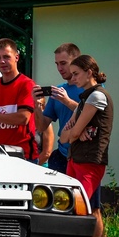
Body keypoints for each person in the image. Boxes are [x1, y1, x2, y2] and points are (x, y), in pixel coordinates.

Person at [59, 54, 113, 237]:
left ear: (89, 72)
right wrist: (74, 134)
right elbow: (64, 136)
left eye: (76, 73)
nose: (72, 78)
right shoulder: (83, 100)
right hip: (76, 159)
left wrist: (75, 133)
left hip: (91, 161)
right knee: (76, 210)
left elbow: (75, 130)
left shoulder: (97, 96)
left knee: (84, 212)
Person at [36, 43, 85, 173]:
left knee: (84, 194)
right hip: (63, 154)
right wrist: (37, 105)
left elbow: (91, 114)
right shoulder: (58, 91)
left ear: (76, 61)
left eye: (63, 63)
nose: (59, 68)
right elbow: (42, 127)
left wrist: (66, 100)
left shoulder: (90, 87)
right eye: (56, 64)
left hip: (85, 155)